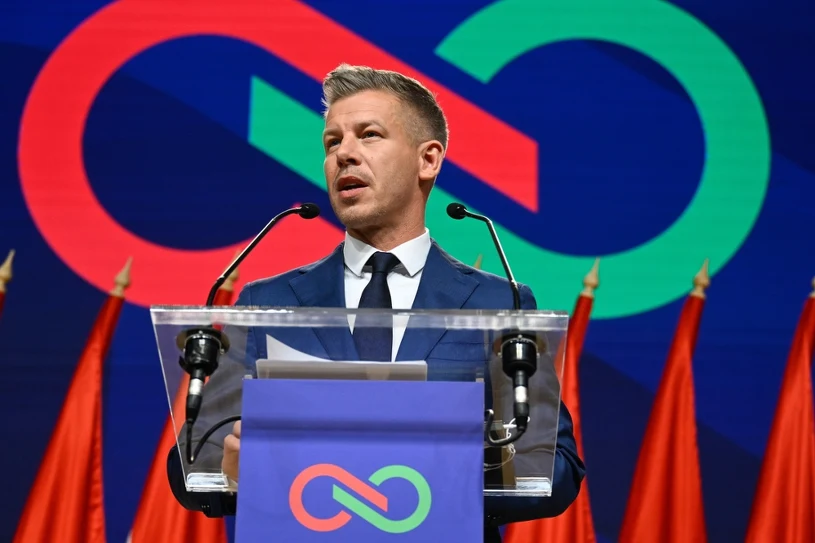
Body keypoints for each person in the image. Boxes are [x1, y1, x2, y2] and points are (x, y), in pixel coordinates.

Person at [167, 63, 585, 542]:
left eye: (369, 135)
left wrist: (430, 473)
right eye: (332, 142)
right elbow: (193, 461)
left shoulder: (498, 303)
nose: (344, 153)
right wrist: (232, 469)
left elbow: (555, 468)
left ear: (428, 160)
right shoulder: (268, 303)